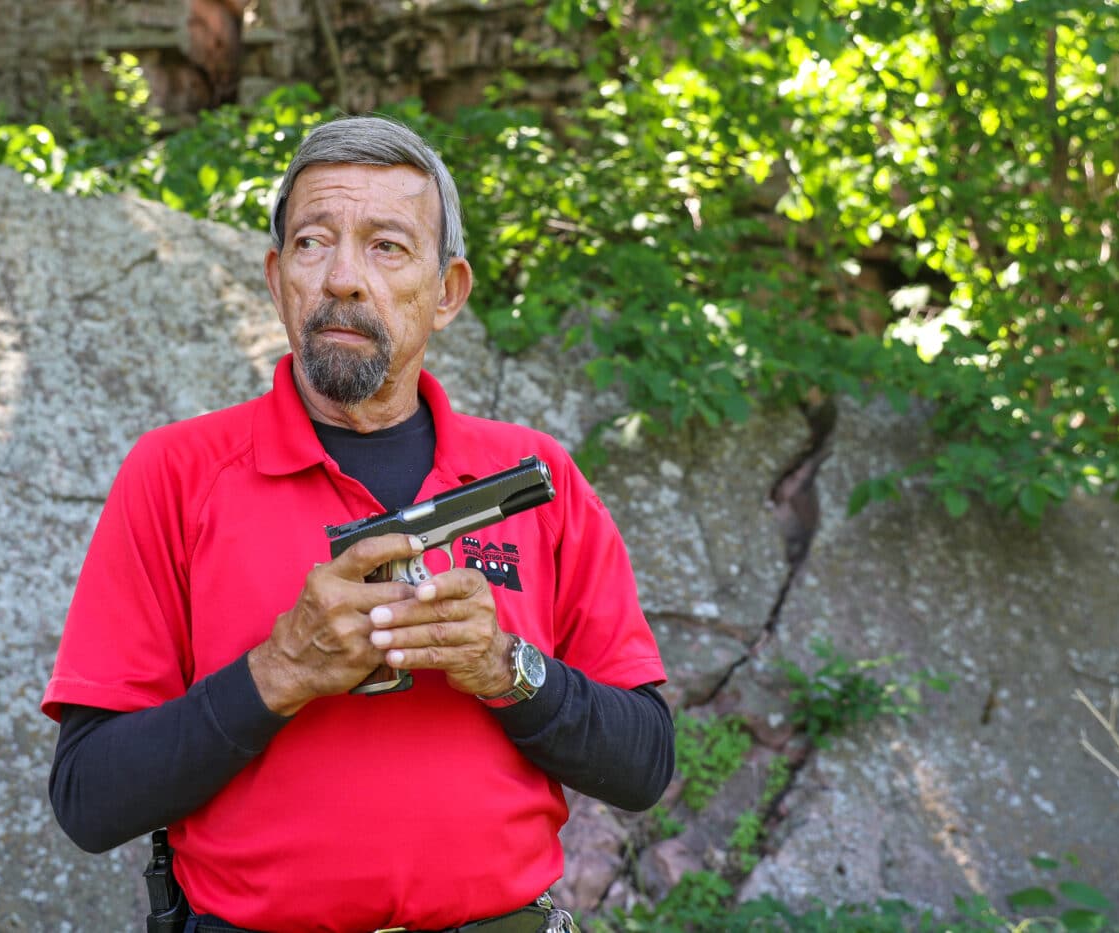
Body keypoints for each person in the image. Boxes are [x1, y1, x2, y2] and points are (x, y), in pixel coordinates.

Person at [42, 115, 674, 933]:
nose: (342, 276)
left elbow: (645, 763)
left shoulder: (532, 479)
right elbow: (89, 798)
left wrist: (503, 665)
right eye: (312, 242)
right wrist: (277, 673)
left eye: (386, 245)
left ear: (447, 292)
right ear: (277, 280)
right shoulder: (176, 474)